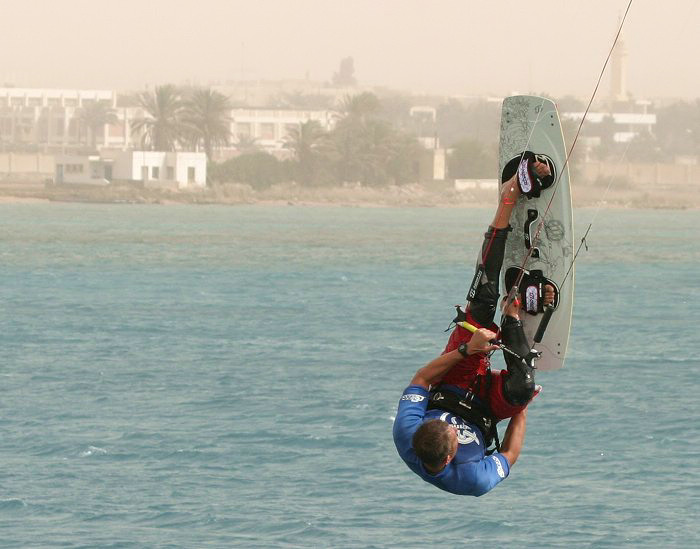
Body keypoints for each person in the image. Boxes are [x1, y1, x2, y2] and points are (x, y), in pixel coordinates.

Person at [392, 156, 555, 496]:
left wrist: (469, 348)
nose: (451, 429)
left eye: (440, 425)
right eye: (452, 434)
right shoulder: (472, 480)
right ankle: (515, 315)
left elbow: (422, 378)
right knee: (524, 386)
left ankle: (509, 196)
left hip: (452, 381)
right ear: (451, 455)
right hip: (487, 409)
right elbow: (509, 454)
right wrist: (520, 408)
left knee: (481, 304)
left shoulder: (406, 432)